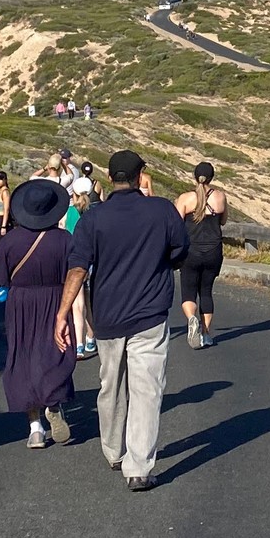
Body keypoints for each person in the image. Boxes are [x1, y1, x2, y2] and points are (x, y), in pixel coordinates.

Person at [58, 150, 188, 491]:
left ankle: (114, 450)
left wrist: (62, 313)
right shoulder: (162, 210)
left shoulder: (93, 219)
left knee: (111, 385)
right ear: (140, 174)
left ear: (110, 177)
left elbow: (78, 268)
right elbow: (179, 253)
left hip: (108, 316)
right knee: (147, 389)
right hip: (150, 313)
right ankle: (139, 467)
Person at [0, 178, 76, 447]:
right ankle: (53, 400)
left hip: (21, 303)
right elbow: (76, 272)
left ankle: (35, 428)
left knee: (25, 356)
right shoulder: (64, 239)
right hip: (56, 299)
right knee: (55, 352)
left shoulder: (11, 240)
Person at [176, 161, 227, 348]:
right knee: (206, 291)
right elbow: (224, 220)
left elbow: (176, 224)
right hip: (213, 250)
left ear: (194, 176)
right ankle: (206, 333)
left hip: (191, 251)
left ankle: (191, 318)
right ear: (212, 177)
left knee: (188, 291)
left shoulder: (185, 199)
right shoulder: (220, 197)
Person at [67, 160, 100, 359]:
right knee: (91, 301)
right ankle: (91, 338)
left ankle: (78, 344)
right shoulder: (97, 211)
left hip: (76, 261)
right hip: (94, 261)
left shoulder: (70, 212)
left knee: (77, 304)